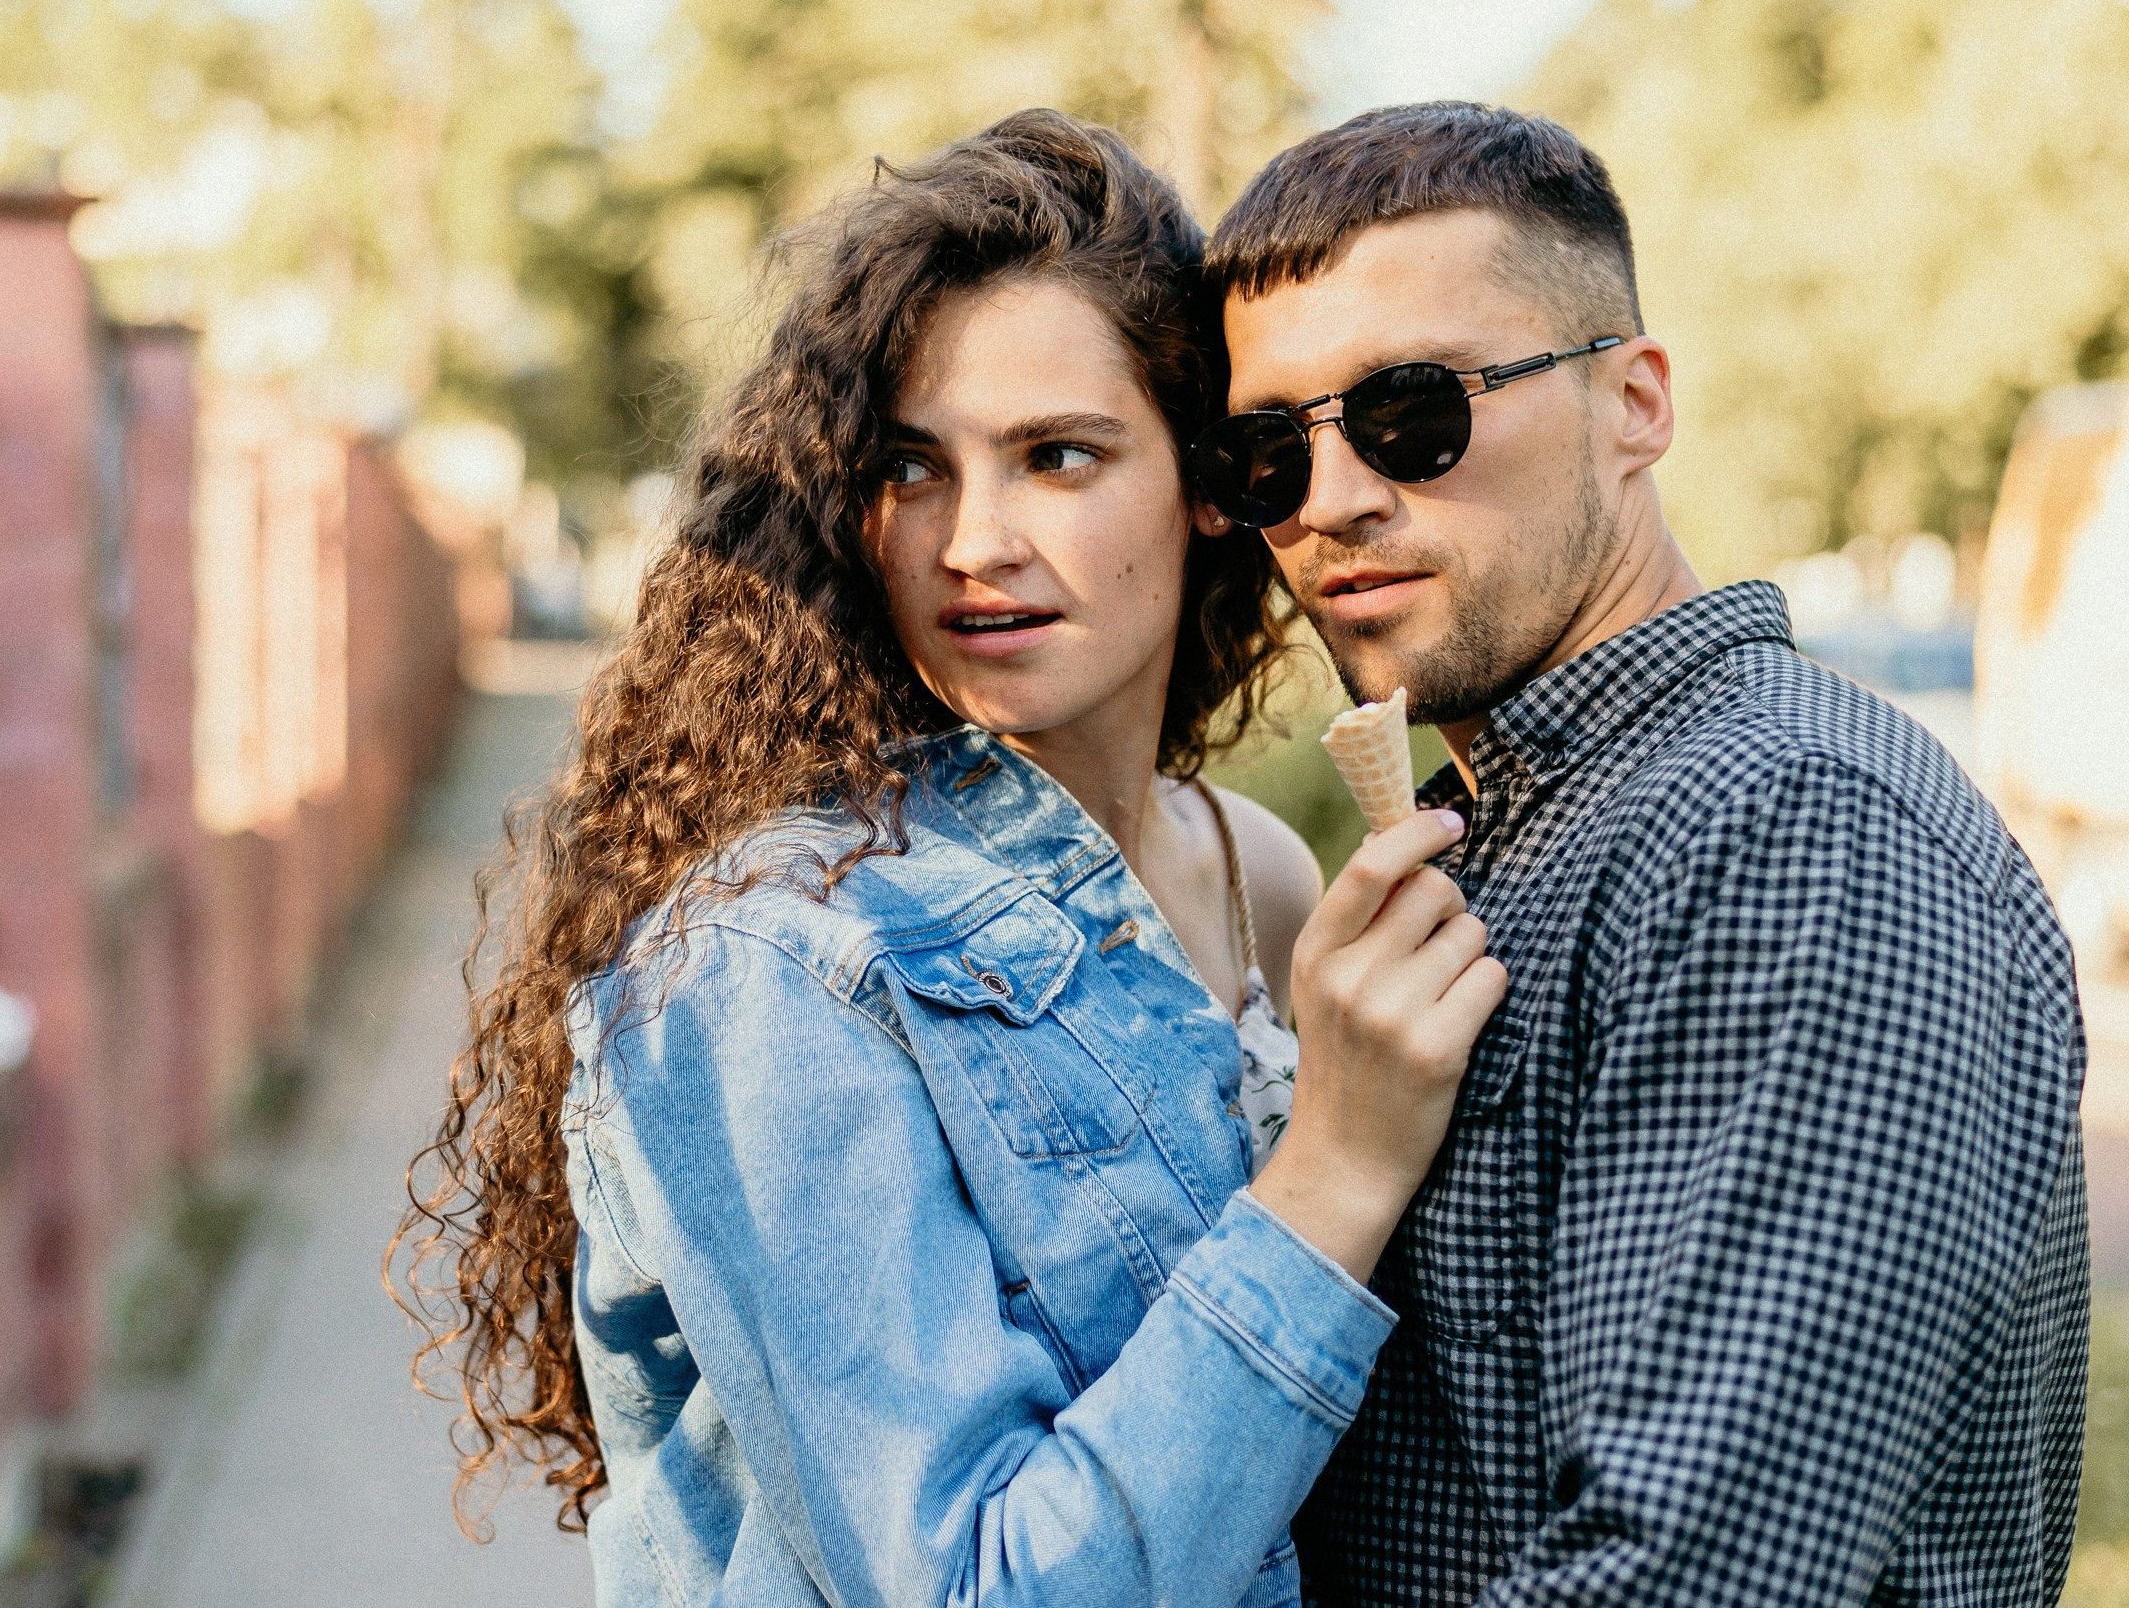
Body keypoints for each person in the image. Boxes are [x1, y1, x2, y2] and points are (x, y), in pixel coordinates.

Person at [403, 109, 1509, 1606]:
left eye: (1057, 455)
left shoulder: (1256, 871)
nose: (971, 539)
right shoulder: (767, 959)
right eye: (913, 468)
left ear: (1204, 480)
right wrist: (1333, 1172)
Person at [1188, 101, 2091, 1605]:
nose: (1334, 500)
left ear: (1637, 401)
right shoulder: (1511, 834)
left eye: (1415, 410)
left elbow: (1686, 1576)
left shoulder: (1792, 835)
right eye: (1271, 448)